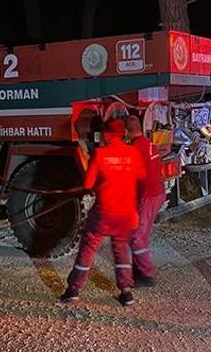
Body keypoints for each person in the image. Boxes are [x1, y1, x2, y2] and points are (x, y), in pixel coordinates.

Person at [61, 118, 146, 306]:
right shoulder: (133, 154)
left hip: (103, 214)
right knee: (121, 251)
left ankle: (73, 290)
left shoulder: (100, 154)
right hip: (125, 214)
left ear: (106, 135)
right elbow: (140, 180)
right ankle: (126, 293)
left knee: (88, 248)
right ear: (123, 134)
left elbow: (88, 184)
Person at [126, 115, 165, 287]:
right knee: (143, 234)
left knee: (135, 236)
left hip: (147, 196)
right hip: (157, 194)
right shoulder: (149, 144)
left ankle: (147, 273)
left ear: (126, 132)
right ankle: (138, 273)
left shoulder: (133, 149)